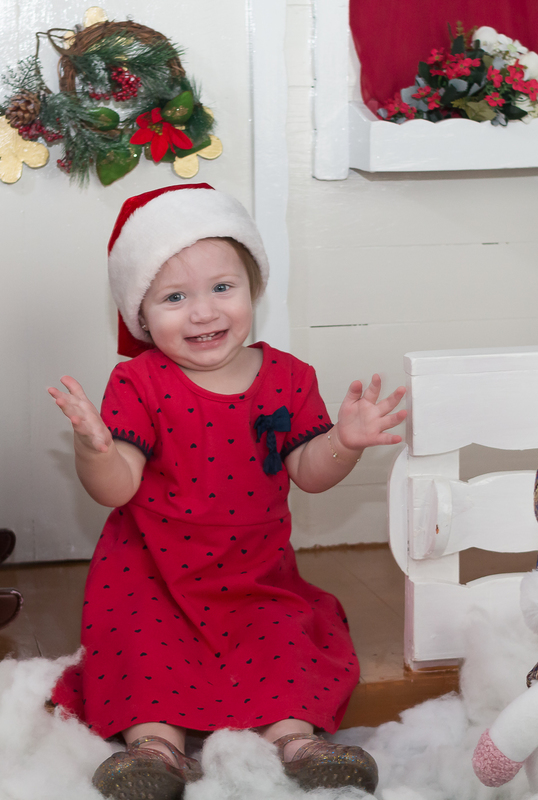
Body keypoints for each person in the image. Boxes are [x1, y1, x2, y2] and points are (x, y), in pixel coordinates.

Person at [48, 184, 406, 800]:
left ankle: (297, 741)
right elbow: (117, 488)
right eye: (174, 297)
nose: (204, 312)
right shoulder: (139, 381)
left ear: (253, 289)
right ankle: (153, 750)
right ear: (141, 313)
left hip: (255, 577)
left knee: (285, 640)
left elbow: (310, 472)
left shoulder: (289, 378)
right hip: (152, 576)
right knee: (143, 648)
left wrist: (344, 441)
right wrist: (95, 448)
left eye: (222, 288)